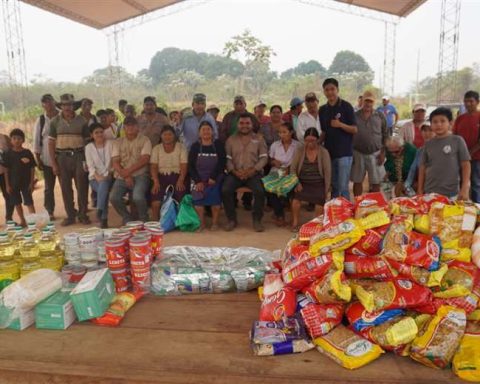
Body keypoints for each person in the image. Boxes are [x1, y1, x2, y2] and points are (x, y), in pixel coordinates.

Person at [49, 93, 90, 226]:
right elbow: (51, 143)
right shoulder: (54, 121)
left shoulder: (82, 121)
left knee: (82, 186)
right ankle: (70, 215)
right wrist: (54, 163)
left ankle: (83, 214)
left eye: (70, 104)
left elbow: (87, 141)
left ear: (74, 106)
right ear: (61, 106)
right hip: (62, 157)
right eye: (65, 105)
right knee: (65, 188)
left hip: (79, 156)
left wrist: (87, 160)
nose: (67, 107)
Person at [222, 113, 268, 232]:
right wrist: (234, 171)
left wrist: (253, 170)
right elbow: (227, 158)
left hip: (253, 173)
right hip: (235, 173)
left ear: (252, 124)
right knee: (225, 190)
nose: (244, 126)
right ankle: (231, 219)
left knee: (259, 191)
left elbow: (264, 157)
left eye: (247, 123)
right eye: (241, 123)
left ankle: (257, 220)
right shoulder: (230, 140)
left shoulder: (259, 139)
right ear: (237, 125)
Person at [418, 107, 471, 200]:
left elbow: (466, 165)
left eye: (442, 121)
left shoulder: (457, 140)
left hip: (451, 193)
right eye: (435, 122)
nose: (439, 124)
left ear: (450, 123)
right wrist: (420, 190)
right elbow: (422, 167)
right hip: (430, 192)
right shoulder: (428, 144)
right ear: (431, 125)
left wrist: (464, 188)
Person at [319, 78, 357, 200]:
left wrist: (340, 125)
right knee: (333, 186)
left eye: (332, 89)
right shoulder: (322, 110)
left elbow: (354, 129)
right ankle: (335, 213)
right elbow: (324, 131)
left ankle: (347, 215)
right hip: (329, 153)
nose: (330, 92)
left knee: (343, 187)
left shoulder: (346, 106)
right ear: (324, 92)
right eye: (327, 90)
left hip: (344, 153)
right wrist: (316, 143)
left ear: (337, 90)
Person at [110, 117, 152, 224]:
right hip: (122, 175)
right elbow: (115, 162)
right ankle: (127, 218)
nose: (130, 127)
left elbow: (145, 159)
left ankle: (144, 218)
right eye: (127, 125)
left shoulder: (145, 140)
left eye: (133, 125)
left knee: (138, 196)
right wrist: (126, 176)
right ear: (124, 127)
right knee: (114, 197)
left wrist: (128, 172)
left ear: (138, 127)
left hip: (141, 174)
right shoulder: (117, 142)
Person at [290, 128, 331, 232]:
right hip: (303, 182)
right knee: (296, 201)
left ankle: (316, 225)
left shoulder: (323, 152)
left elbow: (327, 172)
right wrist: (297, 183)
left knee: (319, 202)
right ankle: (295, 223)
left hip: (318, 183)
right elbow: (293, 169)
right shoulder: (299, 151)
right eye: (307, 140)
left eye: (312, 140)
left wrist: (326, 189)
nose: (310, 143)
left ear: (317, 140)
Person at [188, 121, 226, 231]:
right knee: (198, 202)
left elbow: (222, 162)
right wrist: (197, 181)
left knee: (215, 201)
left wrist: (213, 177)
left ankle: (215, 223)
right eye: (203, 129)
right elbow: (191, 165)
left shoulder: (218, 144)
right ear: (199, 133)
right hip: (198, 178)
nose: (206, 132)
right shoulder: (195, 146)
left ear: (213, 132)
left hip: (214, 178)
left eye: (208, 129)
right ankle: (201, 223)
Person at [351, 91, 388, 196]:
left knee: (376, 182)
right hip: (358, 153)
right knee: (357, 181)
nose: (368, 103)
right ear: (362, 101)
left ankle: (375, 207)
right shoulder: (354, 115)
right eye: (366, 100)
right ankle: (357, 204)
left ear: (374, 102)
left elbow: (386, 134)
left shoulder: (380, 116)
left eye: (370, 101)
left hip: (375, 153)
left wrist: (383, 153)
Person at [150, 125, 188, 221]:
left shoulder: (181, 147)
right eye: (165, 134)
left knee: (181, 197)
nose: (167, 137)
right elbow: (153, 166)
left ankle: (180, 221)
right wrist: (155, 182)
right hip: (161, 177)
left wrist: (181, 179)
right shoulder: (156, 149)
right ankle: (155, 222)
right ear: (161, 136)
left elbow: (184, 165)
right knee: (156, 201)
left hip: (178, 176)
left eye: (170, 134)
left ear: (174, 136)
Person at [268, 122, 300, 226]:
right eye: (280, 132)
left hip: (292, 172)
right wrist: (273, 162)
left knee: (289, 186)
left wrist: (289, 169)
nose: (282, 135)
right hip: (276, 171)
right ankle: (280, 215)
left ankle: (285, 209)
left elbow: (300, 162)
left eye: (284, 132)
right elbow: (269, 159)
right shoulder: (275, 145)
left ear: (291, 132)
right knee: (270, 188)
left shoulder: (298, 146)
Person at [3, 129, 37, 227]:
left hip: (26, 183)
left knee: (29, 202)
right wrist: (7, 185)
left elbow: (32, 168)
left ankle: (33, 222)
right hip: (13, 184)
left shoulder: (27, 152)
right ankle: (23, 221)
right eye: (14, 138)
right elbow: (6, 170)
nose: (17, 140)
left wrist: (31, 183)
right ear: (11, 140)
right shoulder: (8, 154)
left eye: (19, 138)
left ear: (23, 140)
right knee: (17, 203)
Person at [33, 94, 58, 220]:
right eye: (45, 102)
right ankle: (50, 211)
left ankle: (72, 210)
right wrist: (38, 159)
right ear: (43, 105)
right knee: (49, 187)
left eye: (50, 101)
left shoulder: (61, 116)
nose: (48, 104)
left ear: (54, 102)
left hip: (63, 157)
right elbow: (37, 140)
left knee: (67, 186)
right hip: (47, 159)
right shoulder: (41, 120)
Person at [453, 91, 480, 203]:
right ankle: (460, 207)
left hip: (476, 158)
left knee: (475, 184)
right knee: (460, 183)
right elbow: (454, 136)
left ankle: (477, 209)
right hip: (459, 157)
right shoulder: (460, 118)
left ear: (477, 102)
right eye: (466, 101)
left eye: (471, 101)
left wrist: (470, 152)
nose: (468, 104)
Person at [85, 123, 113, 228]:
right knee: (103, 187)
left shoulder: (110, 144)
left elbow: (114, 162)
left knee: (104, 187)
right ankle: (103, 217)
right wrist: (99, 177)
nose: (99, 134)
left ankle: (100, 212)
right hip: (94, 178)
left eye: (101, 132)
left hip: (110, 176)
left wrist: (109, 174)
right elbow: (90, 166)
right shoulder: (88, 147)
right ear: (92, 135)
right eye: (96, 133)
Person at [405, 124, 435, 193]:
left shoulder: (440, 149)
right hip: (422, 185)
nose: (427, 133)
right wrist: (407, 185)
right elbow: (413, 169)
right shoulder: (420, 150)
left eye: (430, 130)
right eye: (424, 130)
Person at [0, 133, 13, 224]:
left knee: (8, 195)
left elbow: (12, 151)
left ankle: (9, 218)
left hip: (4, 173)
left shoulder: (4, 138)